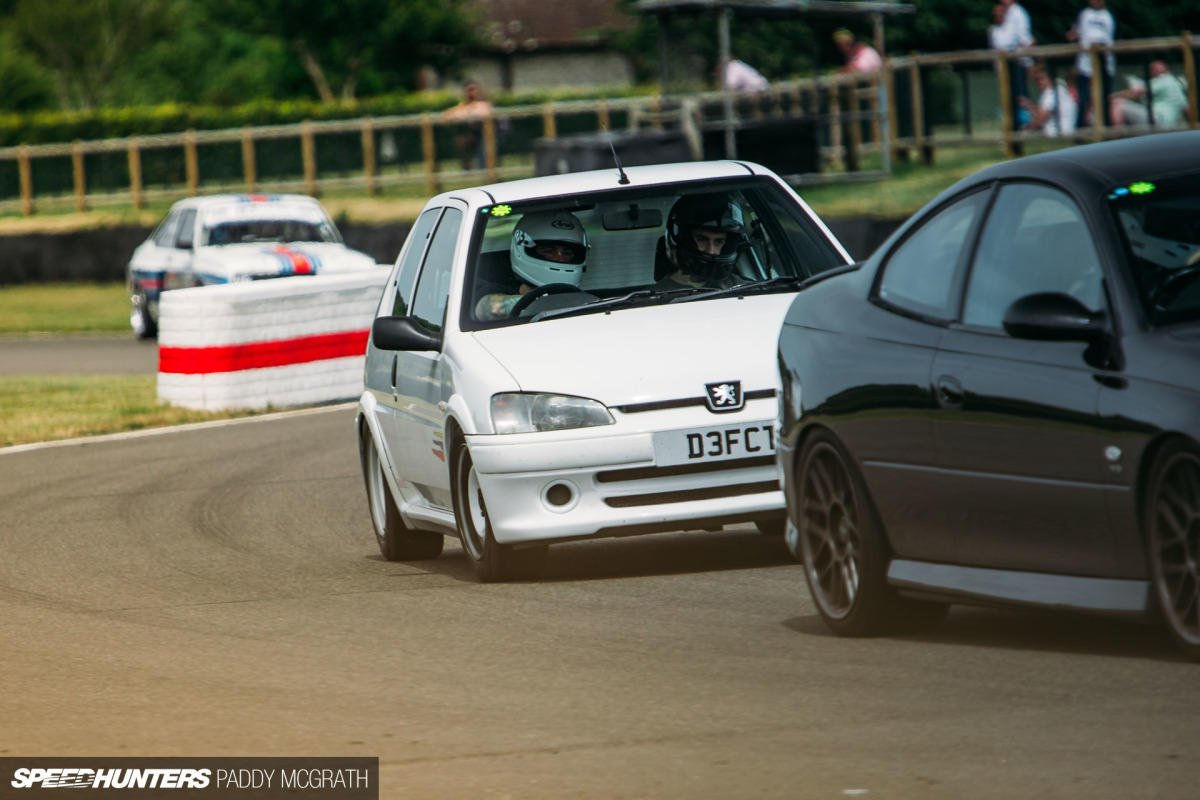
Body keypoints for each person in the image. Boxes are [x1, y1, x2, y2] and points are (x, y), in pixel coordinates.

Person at [474, 210, 588, 321]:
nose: (560, 259)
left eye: (567, 253)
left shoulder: (590, 304)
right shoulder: (491, 283)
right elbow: (495, 309)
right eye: (549, 251)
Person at [654, 194, 749, 290]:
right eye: (702, 240)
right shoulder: (658, 294)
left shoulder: (745, 288)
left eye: (718, 242)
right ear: (685, 241)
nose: (710, 251)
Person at [1067, 0, 1116, 128]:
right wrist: (1073, 35)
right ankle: (1079, 131)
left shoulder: (1108, 17)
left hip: (1104, 65)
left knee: (1103, 101)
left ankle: (1106, 130)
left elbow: (1108, 40)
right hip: (1085, 66)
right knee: (1083, 101)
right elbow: (1079, 34)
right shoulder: (1084, 14)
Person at [988, 0, 1036, 129]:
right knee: (1010, 97)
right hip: (1007, 64)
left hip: (1018, 61)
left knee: (1021, 96)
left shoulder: (1018, 13)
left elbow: (1025, 39)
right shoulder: (998, 26)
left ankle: (1026, 124)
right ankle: (1014, 125)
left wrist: (1028, 61)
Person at [1113, 60, 1189, 129]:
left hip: (1159, 121)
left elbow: (1136, 92)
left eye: (1155, 68)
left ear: (1166, 68)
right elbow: (1187, 110)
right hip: (1170, 126)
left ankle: (1117, 137)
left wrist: (1114, 96)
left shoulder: (1164, 78)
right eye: (1151, 69)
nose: (1153, 71)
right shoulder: (1177, 84)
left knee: (1117, 103)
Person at [441, 82, 493, 171]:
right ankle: (467, 168)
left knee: (483, 148)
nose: (470, 93)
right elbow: (449, 114)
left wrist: (463, 111)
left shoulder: (484, 104)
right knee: (462, 141)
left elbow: (479, 111)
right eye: (468, 90)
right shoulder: (464, 105)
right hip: (476, 134)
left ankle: (484, 170)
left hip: (491, 134)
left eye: (472, 89)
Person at [1020, 63, 1077, 137]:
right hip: (1069, 132)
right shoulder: (1061, 89)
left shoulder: (1049, 95)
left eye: (1042, 79)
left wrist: (1024, 132)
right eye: (1037, 79)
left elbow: (1039, 121)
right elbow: (1042, 112)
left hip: (1056, 135)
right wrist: (1030, 106)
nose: (1039, 82)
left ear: (1050, 79)